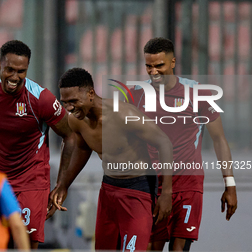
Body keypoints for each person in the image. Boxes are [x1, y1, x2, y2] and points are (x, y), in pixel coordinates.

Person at [129, 37, 238, 251]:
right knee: (152, 247)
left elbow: (219, 139)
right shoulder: (137, 95)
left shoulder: (196, 93)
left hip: (188, 183)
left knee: (179, 249)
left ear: (172, 62)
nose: (153, 72)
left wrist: (230, 184)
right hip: (151, 186)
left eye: (159, 65)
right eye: (148, 66)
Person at [50, 67, 174, 251]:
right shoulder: (76, 120)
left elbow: (164, 143)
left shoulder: (124, 115)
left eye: (74, 101)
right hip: (108, 190)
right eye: (65, 102)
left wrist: (166, 194)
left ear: (91, 94)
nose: (69, 108)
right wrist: (63, 185)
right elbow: (82, 149)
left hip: (138, 191)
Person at [0, 40, 75, 249]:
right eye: (9, 69)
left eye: (21, 71)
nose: (14, 77)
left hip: (31, 181)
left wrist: (61, 185)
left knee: (24, 246)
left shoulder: (40, 99)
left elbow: (71, 136)